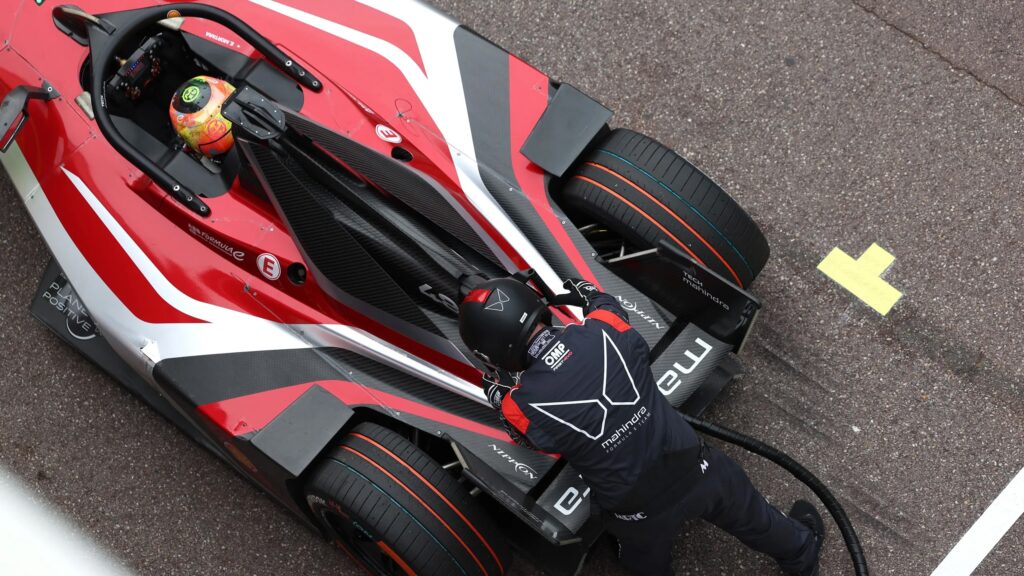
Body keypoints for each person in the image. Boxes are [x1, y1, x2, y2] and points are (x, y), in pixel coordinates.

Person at [459, 276, 826, 576]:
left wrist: (497, 395)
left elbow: (531, 440)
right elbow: (609, 307)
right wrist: (589, 294)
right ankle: (801, 551)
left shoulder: (519, 406)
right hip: (697, 468)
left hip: (635, 513)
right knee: (755, 517)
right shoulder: (606, 329)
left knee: (643, 563)